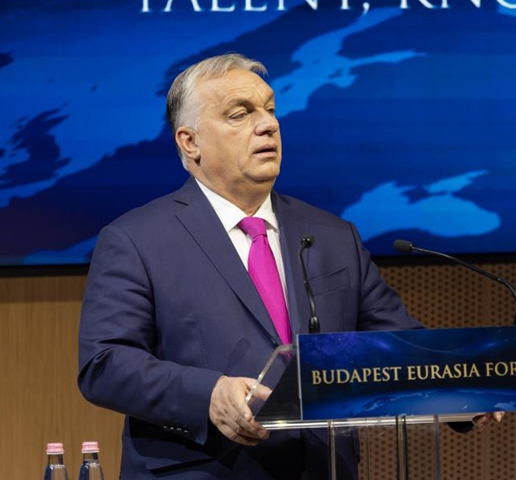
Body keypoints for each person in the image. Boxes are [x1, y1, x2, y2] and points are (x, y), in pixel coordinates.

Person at [77, 52, 427, 479]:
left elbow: (398, 345)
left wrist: (464, 390)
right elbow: (105, 364)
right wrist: (208, 393)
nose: (268, 124)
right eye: (240, 114)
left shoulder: (334, 235)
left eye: (270, 109)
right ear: (190, 142)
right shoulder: (136, 239)